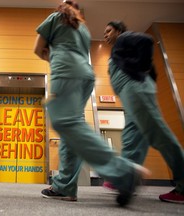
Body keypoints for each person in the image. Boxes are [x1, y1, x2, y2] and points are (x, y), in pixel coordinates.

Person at [34, 0, 150, 207]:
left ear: (62, 7)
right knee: (71, 128)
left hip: (66, 71)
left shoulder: (55, 18)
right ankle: (64, 186)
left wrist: (54, 57)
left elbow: (37, 48)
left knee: (64, 123)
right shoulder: (83, 28)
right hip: (86, 76)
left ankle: (123, 172)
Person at [103, 21, 184, 204]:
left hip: (135, 90)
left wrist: (142, 69)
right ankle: (126, 178)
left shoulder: (124, 38)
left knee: (158, 133)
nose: (106, 35)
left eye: (109, 31)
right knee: (132, 138)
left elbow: (146, 40)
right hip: (131, 94)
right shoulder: (118, 48)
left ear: (118, 31)